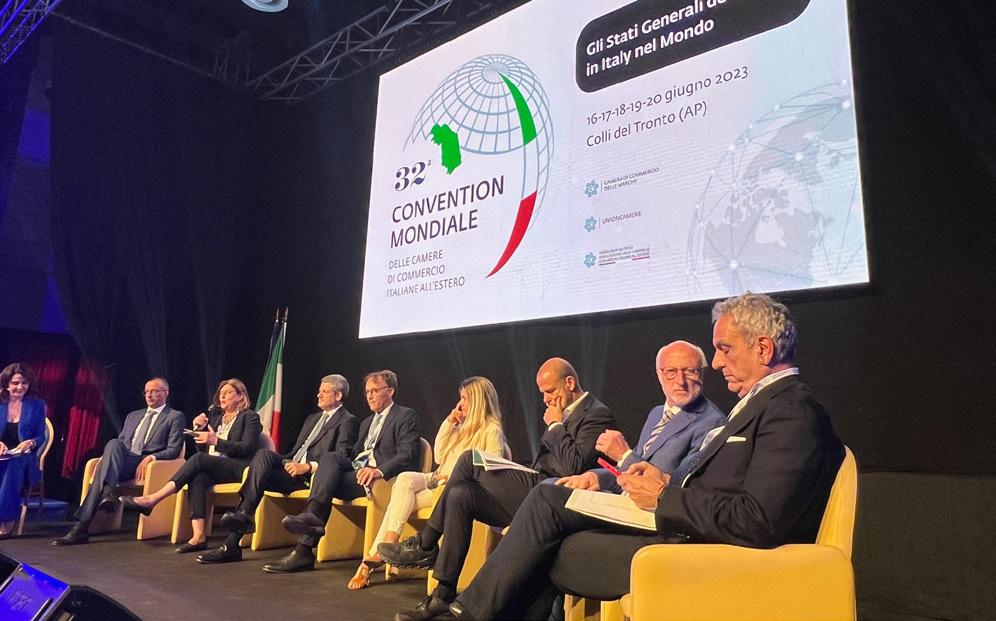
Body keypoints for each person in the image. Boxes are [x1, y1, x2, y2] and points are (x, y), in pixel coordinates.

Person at [446, 293, 846, 621]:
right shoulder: (762, 405)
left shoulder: (791, 411)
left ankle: (465, 612)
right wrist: (660, 484)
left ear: (763, 348)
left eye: (724, 349)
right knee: (550, 505)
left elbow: (760, 520)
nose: (717, 363)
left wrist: (664, 496)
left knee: (550, 531)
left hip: (705, 549)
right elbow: (711, 484)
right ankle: (467, 611)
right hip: (686, 529)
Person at [380, 357, 615, 621]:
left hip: (556, 496)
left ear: (570, 382)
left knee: (469, 460)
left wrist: (555, 426)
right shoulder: (560, 413)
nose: (546, 399)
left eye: (550, 391)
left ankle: (425, 544)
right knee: (460, 495)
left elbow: (574, 465)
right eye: (542, 394)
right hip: (537, 489)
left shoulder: (597, 414)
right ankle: (442, 594)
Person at [347, 376, 511, 590]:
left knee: (400, 501)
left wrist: (454, 478)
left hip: (452, 488)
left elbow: (490, 472)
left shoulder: (491, 430)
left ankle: (372, 559)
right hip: (436, 478)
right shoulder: (463, 427)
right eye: (460, 398)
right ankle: (389, 543)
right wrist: (450, 423)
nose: (460, 404)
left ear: (478, 401)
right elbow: (439, 456)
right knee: (404, 479)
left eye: (465, 399)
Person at [262, 369, 421, 574]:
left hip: (381, 479)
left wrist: (378, 471)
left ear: (390, 391)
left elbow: (407, 454)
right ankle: (310, 518)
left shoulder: (405, 415)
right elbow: (354, 456)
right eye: (367, 392)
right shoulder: (367, 423)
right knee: (330, 459)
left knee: (328, 476)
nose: (370, 396)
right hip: (357, 472)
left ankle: (303, 550)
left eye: (375, 390)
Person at [195, 374, 359, 564]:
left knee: (263, 459)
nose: (318, 395)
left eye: (325, 392)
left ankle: (240, 536)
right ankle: (240, 522)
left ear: (338, 396)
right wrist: (288, 462)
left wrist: (308, 467)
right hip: (292, 467)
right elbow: (296, 451)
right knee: (263, 455)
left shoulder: (348, 420)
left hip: (312, 476)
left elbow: (342, 456)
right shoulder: (312, 418)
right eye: (319, 391)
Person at [557, 339, 726, 495]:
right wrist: (596, 477)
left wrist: (623, 455)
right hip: (626, 499)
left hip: (657, 512)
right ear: (659, 375)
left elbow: (680, 487)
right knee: (552, 488)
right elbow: (629, 470)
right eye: (671, 372)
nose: (680, 381)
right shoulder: (656, 413)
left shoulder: (712, 422)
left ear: (702, 374)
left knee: (550, 497)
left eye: (690, 371)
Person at [120, 378, 262, 553]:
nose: (222, 396)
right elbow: (205, 449)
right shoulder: (217, 419)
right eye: (221, 393)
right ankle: (198, 536)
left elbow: (247, 448)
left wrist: (216, 441)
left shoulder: (250, 417)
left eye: (228, 393)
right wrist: (199, 431)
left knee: (199, 459)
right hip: (217, 467)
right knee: (198, 477)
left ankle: (153, 499)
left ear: (240, 396)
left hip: (241, 468)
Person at [52, 376, 184, 546]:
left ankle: (81, 527)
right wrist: (106, 457)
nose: (149, 395)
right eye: (146, 392)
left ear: (166, 393)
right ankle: (107, 495)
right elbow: (121, 444)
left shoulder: (174, 416)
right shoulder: (133, 416)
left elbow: (174, 450)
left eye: (154, 391)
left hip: (146, 465)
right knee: (113, 444)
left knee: (102, 473)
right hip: (122, 461)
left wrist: (151, 457)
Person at [0, 364, 47, 538]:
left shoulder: (37, 404)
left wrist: (31, 442)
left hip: (23, 459)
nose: (20, 387)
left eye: (24, 383)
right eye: (15, 383)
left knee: (13, 464)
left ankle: (5, 519)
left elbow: (41, 436)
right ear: (6, 384)